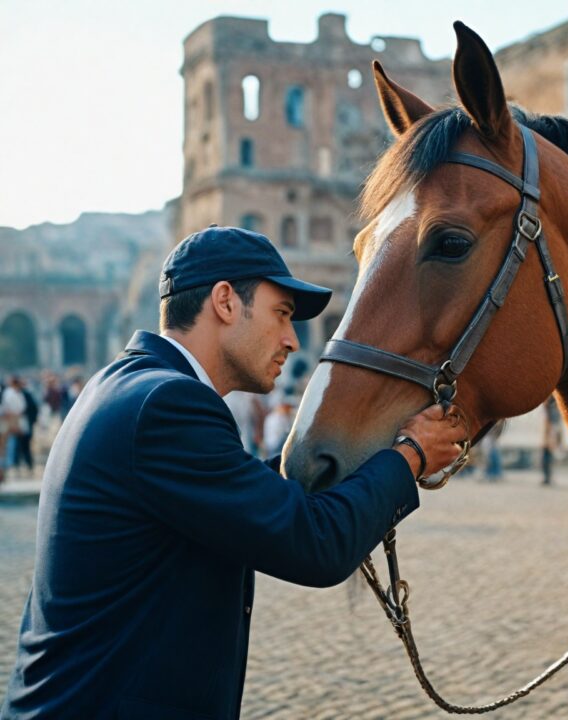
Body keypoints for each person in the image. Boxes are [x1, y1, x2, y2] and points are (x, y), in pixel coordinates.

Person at [1, 226, 467, 720]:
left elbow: (248, 495)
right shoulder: (169, 405)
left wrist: (360, 447)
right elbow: (316, 544)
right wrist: (411, 455)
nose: (291, 339)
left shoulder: (131, 385)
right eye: (281, 314)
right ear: (225, 301)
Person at [541, 395, 562, 486]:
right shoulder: (554, 409)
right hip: (549, 432)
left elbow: (551, 424)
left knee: (547, 455)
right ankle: (547, 477)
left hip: (549, 433)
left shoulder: (551, 410)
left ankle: (548, 477)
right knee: (547, 455)